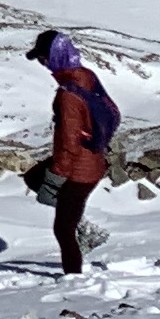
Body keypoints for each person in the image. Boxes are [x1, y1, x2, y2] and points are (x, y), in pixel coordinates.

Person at [26, 30, 118, 274]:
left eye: (44, 59)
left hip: (80, 171)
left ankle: (74, 278)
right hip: (93, 159)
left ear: (54, 57)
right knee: (33, 177)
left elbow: (68, 143)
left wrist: (56, 178)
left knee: (62, 230)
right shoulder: (86, 76)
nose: (43, 65)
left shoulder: (68, 95)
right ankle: (79, 224)